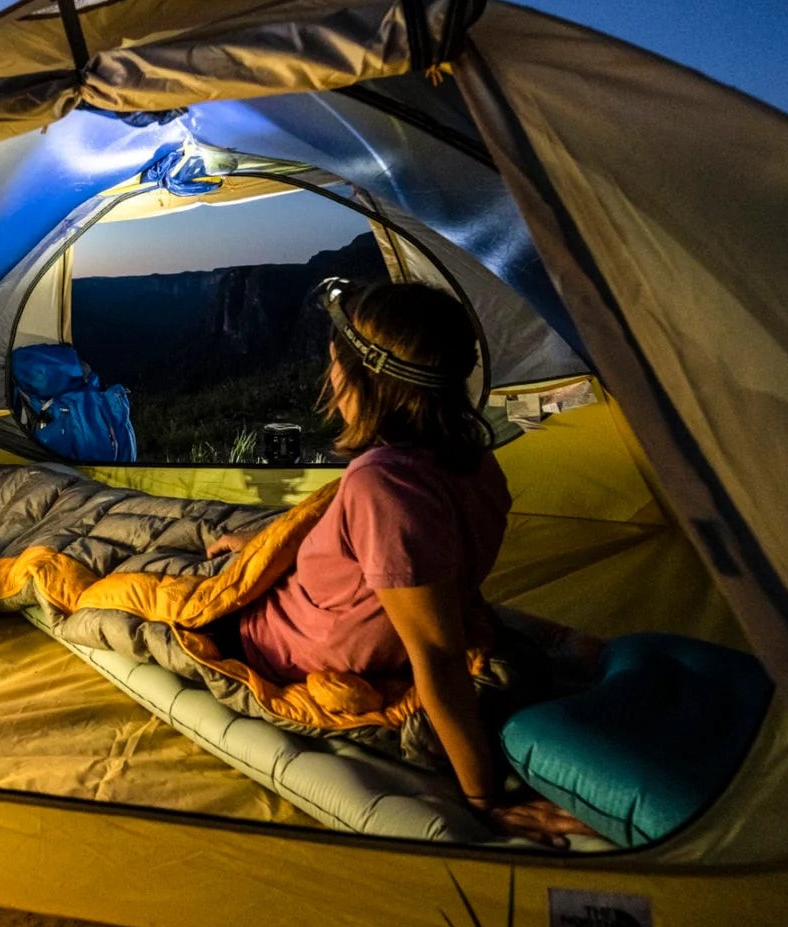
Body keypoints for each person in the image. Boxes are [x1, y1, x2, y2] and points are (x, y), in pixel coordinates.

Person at [207, 278, 591, 846]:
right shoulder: (475, 463)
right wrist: (263, 549)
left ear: (363, 377)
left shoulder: (381, 484)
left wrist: (484, 801)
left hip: (281, 644)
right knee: (231, 542)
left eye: (335, 360)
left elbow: (436, 654)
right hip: (313, 600)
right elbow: (390, 566)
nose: (329, 373)